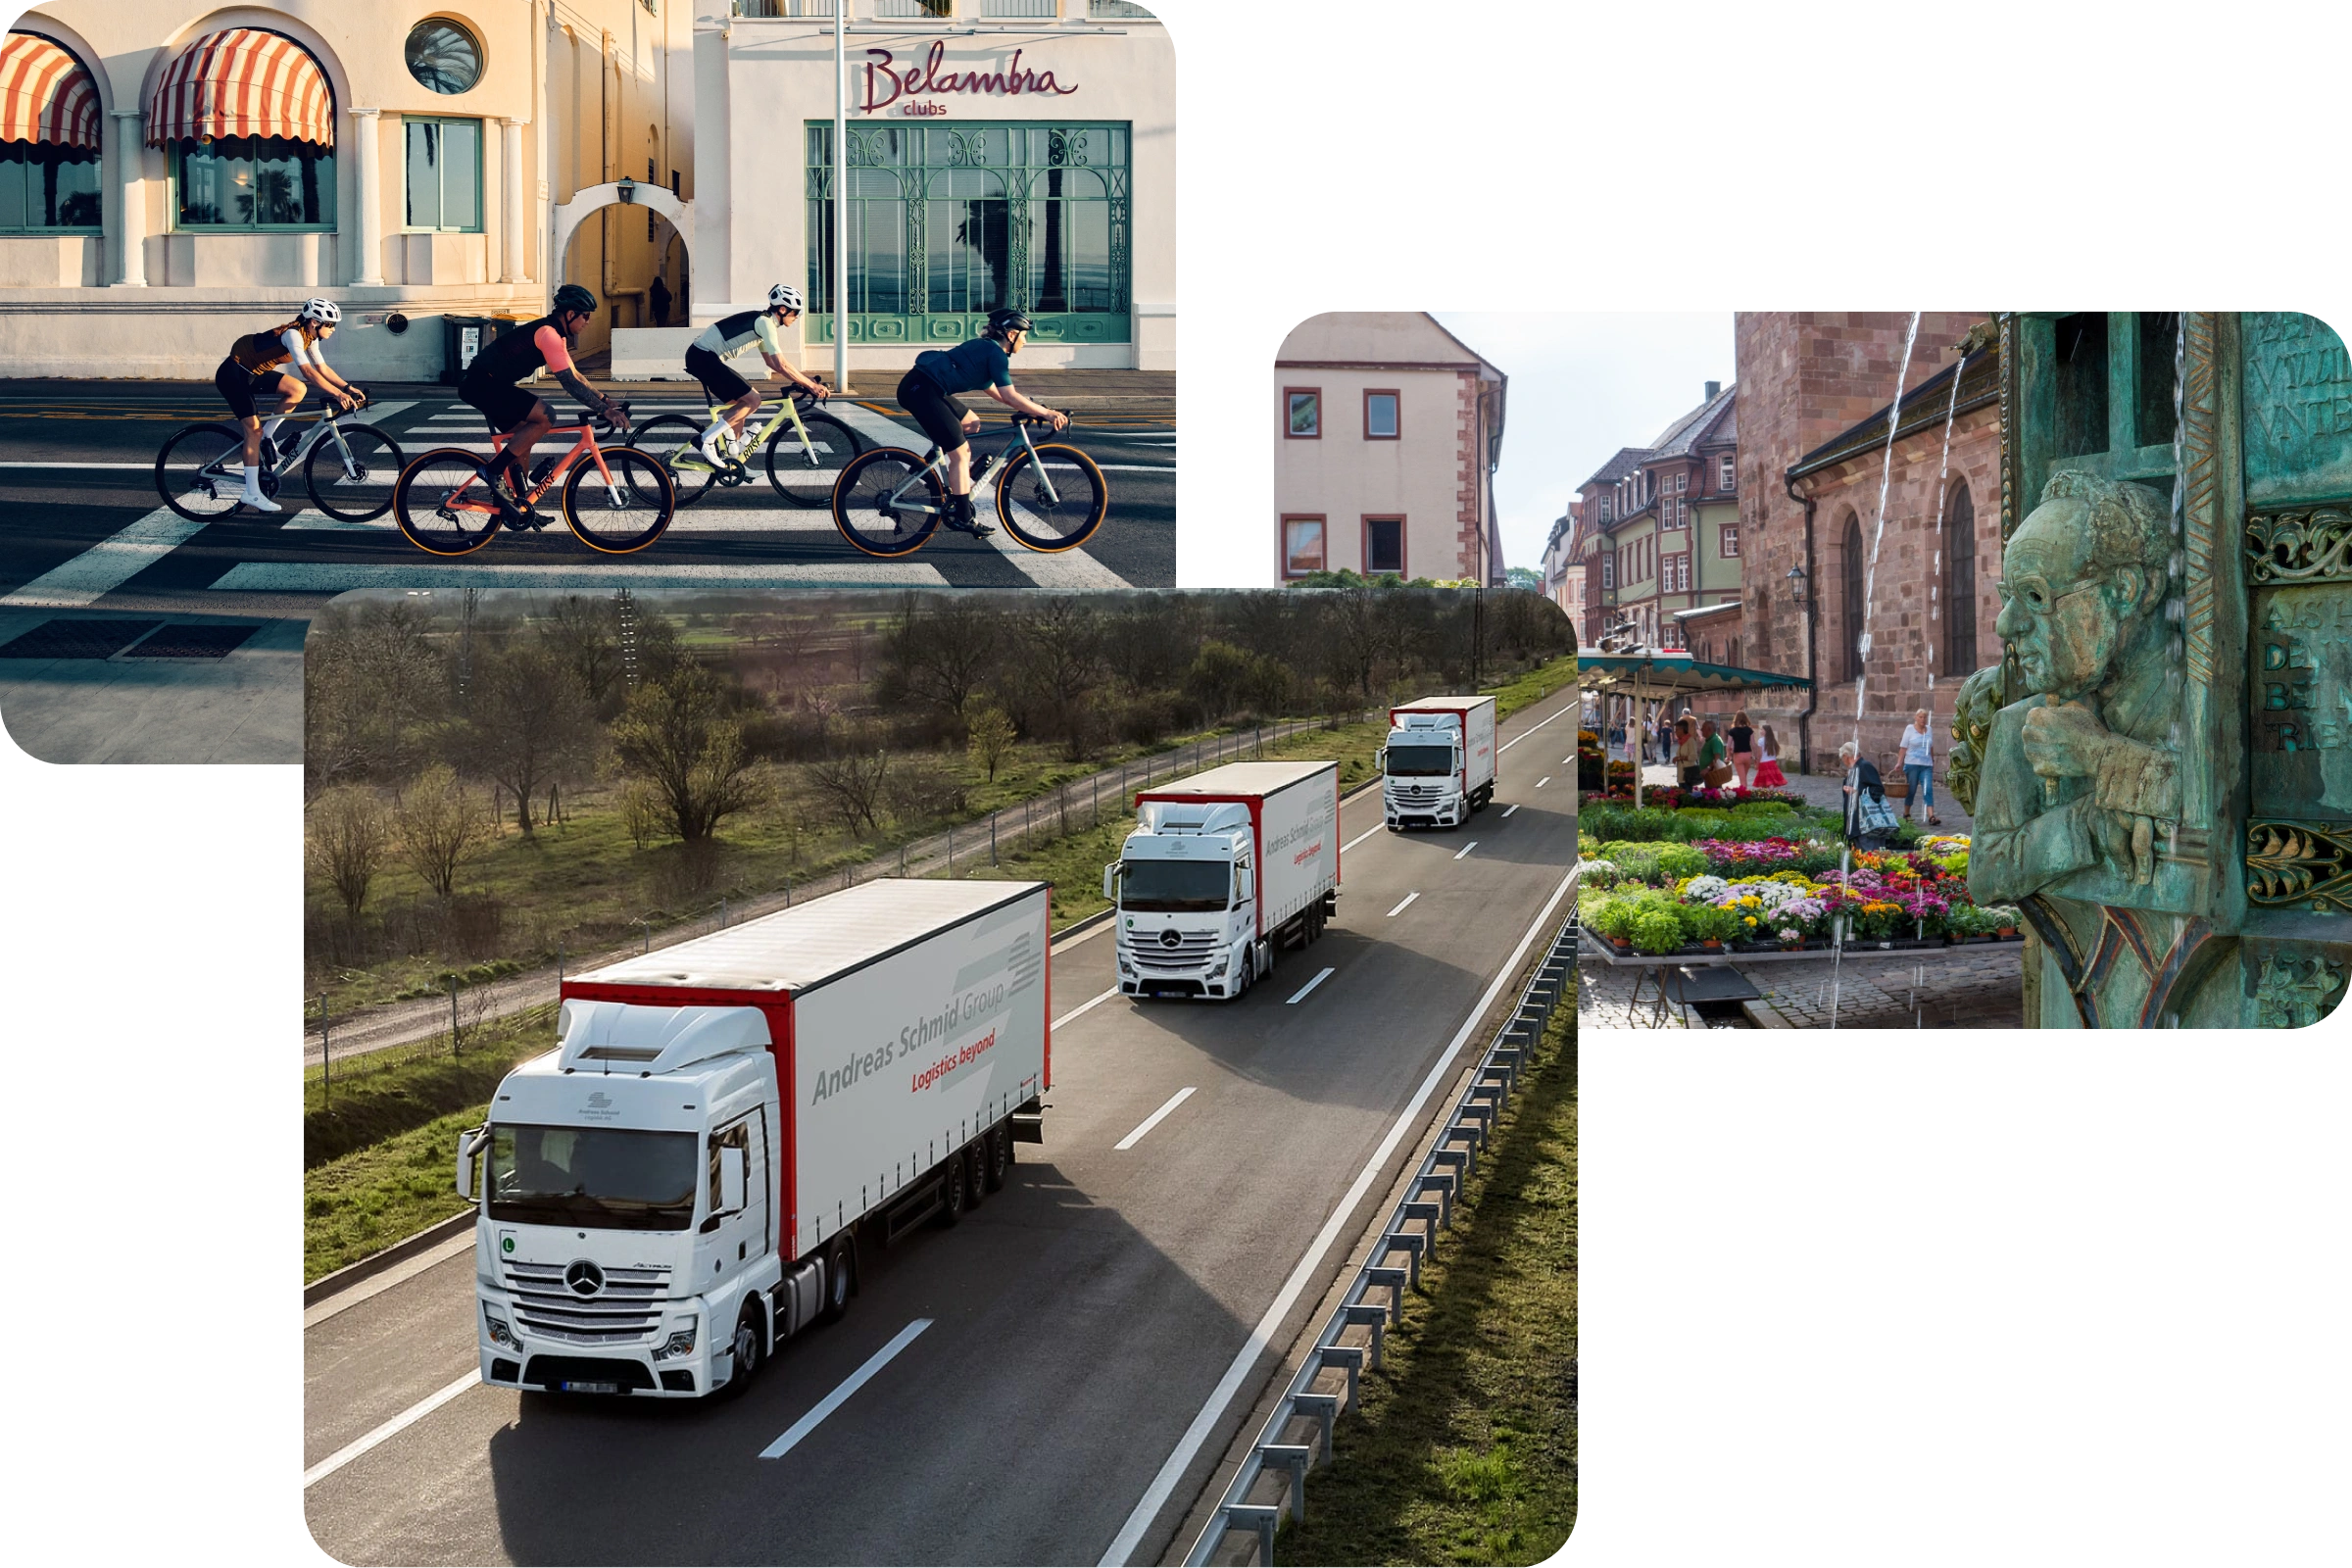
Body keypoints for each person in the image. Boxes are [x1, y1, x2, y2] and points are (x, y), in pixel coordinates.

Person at [457, 282, 630, 524]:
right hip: (482, 384)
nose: (588, 321)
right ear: (570, 314)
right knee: (546, 415)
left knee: (523, 438)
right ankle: (492, 470)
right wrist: (604, 411)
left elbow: (576, 375)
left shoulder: (555, 335)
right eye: (586, 316)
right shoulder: (548, 334)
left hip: (489, 384)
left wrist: (605, 400)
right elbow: (569, 382)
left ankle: (520, 506)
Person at [897, 306, 1069, 538]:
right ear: (1011, 334)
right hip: (921, 390)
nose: (1025, 342)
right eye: (1024, 336)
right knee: (960, 455)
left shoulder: (986, 349)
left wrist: (1039, 410)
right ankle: (963, 517)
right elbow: (1009, 396)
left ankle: (927, 471)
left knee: (971, 423)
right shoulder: (996, 354)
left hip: (926, 387)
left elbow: (1001, 394)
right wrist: (1047, 414)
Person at [213, 297, 358, 513]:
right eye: (331, 324)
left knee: (297, 389)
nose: (334, 329)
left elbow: (322, 369)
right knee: (253, 431)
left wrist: (347, 388)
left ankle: (268, 438)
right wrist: (337, 394)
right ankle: (251, 492)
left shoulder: (311, 337)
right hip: (233, 374)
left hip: (253, 373)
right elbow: (307, 372)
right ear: (315, 322)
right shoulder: (294, 335)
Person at [686, 283, 828, 468]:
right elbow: (781, 364)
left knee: (740, 406)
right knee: (753, 400)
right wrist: (811, 386)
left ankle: (734, 463)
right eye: (795, 313)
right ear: (783, 309)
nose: (796, 317)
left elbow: (771, 363)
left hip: (702, 357)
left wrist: (805, 380)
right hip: (703, 356)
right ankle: (706, 440)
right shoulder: (765, 323)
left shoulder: (763, 323)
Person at [1839, 739, 1891, 849]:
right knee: (1865, 859)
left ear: (1846, 756)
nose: (1843, 762)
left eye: (1842, 758)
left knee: (1871, 858)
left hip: (1867, 824)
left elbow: (1877, 789)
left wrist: (1856, 792)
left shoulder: (1864, 766)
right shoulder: (1856, 769)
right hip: (1860, 825)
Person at [1900, 707, 1943, 826]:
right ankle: (1906, 813)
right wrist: (1899, 763)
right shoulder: (1909, 729)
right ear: (1916, 718)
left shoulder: (1929, 730)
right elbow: (1903, 747)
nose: (1923, 719)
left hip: (1926, 765)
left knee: (1928, 789)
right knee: (1911, 790)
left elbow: (1931, 747)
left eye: (1925, 717)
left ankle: (1931, 816)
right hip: (1912, 764)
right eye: (1920, 717)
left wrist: (1932, 760)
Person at [1729, 709, 1756, 791]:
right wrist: (1755, 756)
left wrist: (1728, 754)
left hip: (1738, 755)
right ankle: (1743, 792)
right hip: (1748, 755)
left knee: (1742, 779)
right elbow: (1753, 744)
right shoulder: (1749, 730)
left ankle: (1744, 795)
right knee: (1743, 777)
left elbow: (1728, 745)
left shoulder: (1732, 731)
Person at [1752, 723, 1787, 788]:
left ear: (1766, 731)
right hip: (1772, 762)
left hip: (1764, 762)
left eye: (1762, 729)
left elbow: (1759, 754)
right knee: (1771, 779)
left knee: (1762, 780)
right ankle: (1770, 793)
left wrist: (1757, 763)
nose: (1760, 731)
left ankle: (1763, 794)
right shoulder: (1773, 740)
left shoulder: (1761, 740)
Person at [1674, 715, 1702, 791]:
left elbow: (1694, 756)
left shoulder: (1690, 740)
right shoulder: (1681, 741)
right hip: (1681, 775)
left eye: (1677, 730)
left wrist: (1679, 758)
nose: (1675, 732)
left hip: (1688, 775)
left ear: (1683, 730)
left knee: (1687, 795)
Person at [1698, 718, 1728, 787]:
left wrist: (1707, 768)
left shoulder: (1715, 740)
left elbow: (1717, 758)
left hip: (1713, 775)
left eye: (1703, 728)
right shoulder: (1710, 739)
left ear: (1709, 730)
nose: (1701, 730)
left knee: (1713, 794)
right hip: (1709, 775)